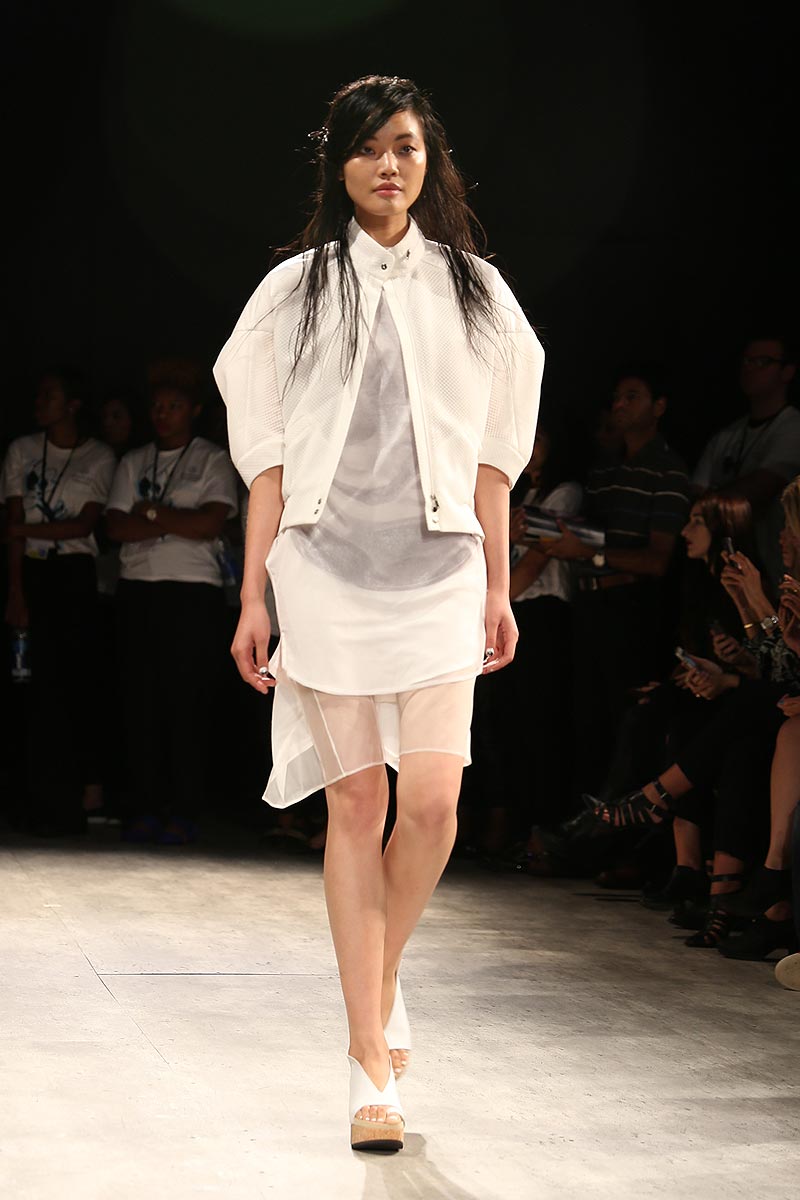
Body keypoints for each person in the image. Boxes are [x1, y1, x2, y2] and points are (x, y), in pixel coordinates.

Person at [213, 75, 542, 1151]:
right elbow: (265, 461)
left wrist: (498, 585)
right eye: (366, 148)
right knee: (357, 807)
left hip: (441, 571)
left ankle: (379, 979)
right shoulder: (294, 290)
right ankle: (368, 1062)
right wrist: (254, 592)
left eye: (403, 145)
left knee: (434, 806)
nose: (387, 165)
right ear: (339, 166)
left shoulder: (476, 291)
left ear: (427, 160)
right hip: (323, 571)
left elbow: (494, 460)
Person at [105, 358, 239, 844]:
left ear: (194, 410)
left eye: (174, 406)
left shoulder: (211, 459)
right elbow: (115, 526)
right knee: (139, 702)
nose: (163, 414)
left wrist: (151, 512)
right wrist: (174, 520)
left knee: (186, 704)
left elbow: (210, 523)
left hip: (192, 591)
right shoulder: (134, 460)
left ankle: (185, 810)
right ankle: (142, 806)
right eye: (158, 406)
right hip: (138, 588)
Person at [544, 365, 692, 797]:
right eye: (617, 398)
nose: (620, 405)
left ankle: (620, 823)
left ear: (659, 407)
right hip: (587, 604)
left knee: (623, 719)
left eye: (632, 397)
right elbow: (587, 536)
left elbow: (657, 560)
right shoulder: (604, 470)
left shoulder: (667, 470)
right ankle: (585, 818)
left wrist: (590, 553)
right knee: (584, 718)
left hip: (632, 609)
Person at [3, 367, 116, 834]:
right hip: (32, 571)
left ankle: (74, 797)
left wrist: (22, 528)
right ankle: (31, 798)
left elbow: (83, 525)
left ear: (72, 404)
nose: (40, 402)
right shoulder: (22, 449)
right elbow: (13, 524)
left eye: (49, 395)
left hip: (73, 573)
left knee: (74, 683)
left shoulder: (98, 455)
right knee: (31, 684)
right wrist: (15, 590)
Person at [692, 333, 800, 590]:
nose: (750, 368)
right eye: (746, 361)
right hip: (724, 568)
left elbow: (762, 487)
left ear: (787, 371)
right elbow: (696, 496)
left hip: (775, 572)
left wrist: (714, 504)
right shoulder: (726, 436)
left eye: (762, 362)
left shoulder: (793, 428)